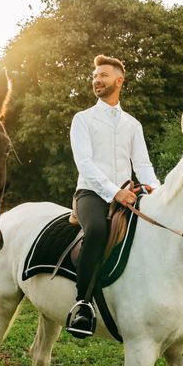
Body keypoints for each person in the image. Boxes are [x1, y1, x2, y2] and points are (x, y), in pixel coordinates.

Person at [67, 54, 161, 338]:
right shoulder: (82, 119)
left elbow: (142, 164)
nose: (97, 80)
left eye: (103, 75)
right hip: (92, 193)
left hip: (127, 193)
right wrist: (113, 192)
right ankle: (82, 303)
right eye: (95, 76)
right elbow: (84, 163)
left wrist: (157, 191)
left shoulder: (133, 124)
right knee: (96, 230)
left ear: (119, 80)